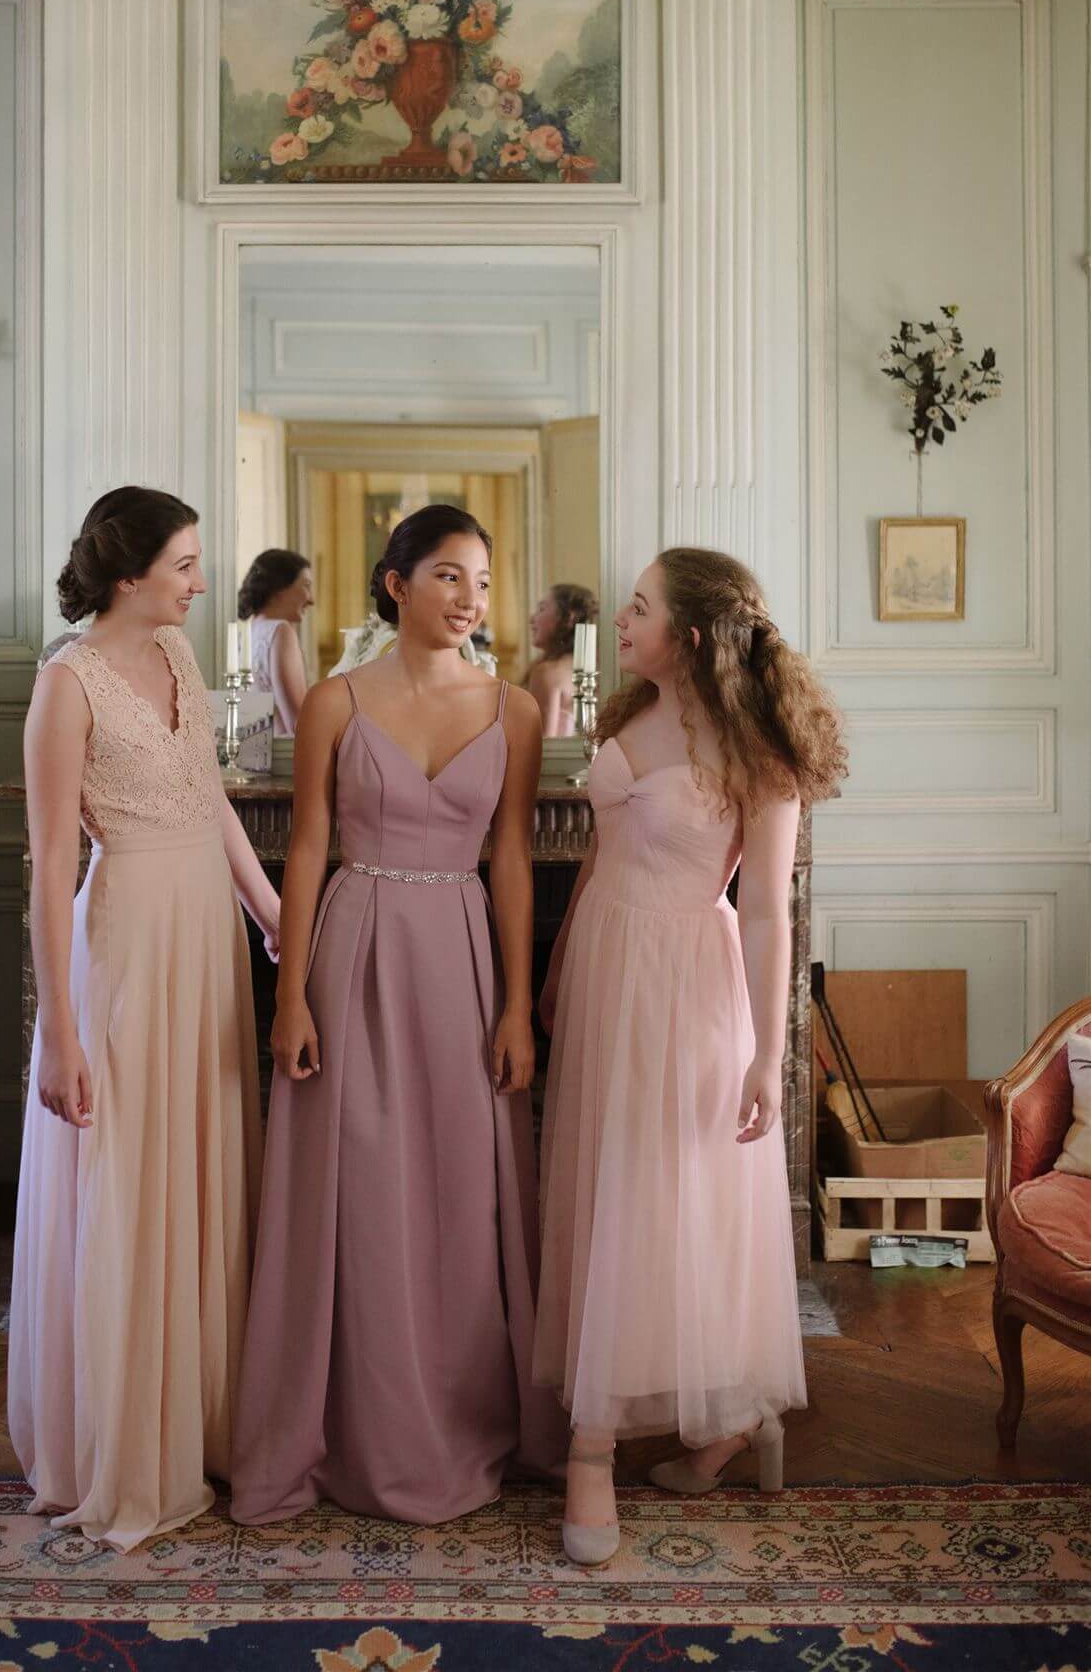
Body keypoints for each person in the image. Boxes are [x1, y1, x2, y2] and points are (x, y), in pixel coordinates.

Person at [232, 504, 566, 1525]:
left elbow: (513, 861)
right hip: (356, 948)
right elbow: (305, 850)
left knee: (462, 1191)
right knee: (357, 1188)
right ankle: (351, 1423)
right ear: (396, 584)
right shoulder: (333, 702)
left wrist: (516, 1007)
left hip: (460, 956)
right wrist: (289, 995)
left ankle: (460, 1416)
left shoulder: (513, 709)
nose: (469, 599)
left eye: (481, 581)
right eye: (448, 576)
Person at [534, 547, 846, 1564]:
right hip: (603, 964)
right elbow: (599, 854)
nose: (621, 622)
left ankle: (595, 1446)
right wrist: (556, 969)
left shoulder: (761, 748)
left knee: (660, 1194)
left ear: (693, 634)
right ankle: (722, 1422)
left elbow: (764, 912)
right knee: (604, 1189)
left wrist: (765, 1055)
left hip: (686, 981)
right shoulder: (626, 714)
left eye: (639, 608)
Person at [9, 485, 280, 1552]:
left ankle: (199, 1422)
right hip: (123, 944)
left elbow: (208, 799)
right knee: (128, 1179)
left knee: (197, 1167)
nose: (201, 582)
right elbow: (47, 868)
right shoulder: (64, 684)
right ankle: (124, 1445)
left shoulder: (177, 654)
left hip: (204, 937)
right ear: (128, 576)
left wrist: (267, 913)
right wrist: (59, 1031)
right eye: (184, 565)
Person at [238, 548, 314, 734]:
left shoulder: (248, 631)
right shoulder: (281, 631)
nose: (311, 599)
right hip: (282, 750)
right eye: (306, 586)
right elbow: (298, 725)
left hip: (255, 747)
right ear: (280, 589)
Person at [522, 583, 599, 736]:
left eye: (542, 609)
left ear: (569, 617)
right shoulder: (591, 669)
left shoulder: (547, 672)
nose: (532, 619)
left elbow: (542, 743)